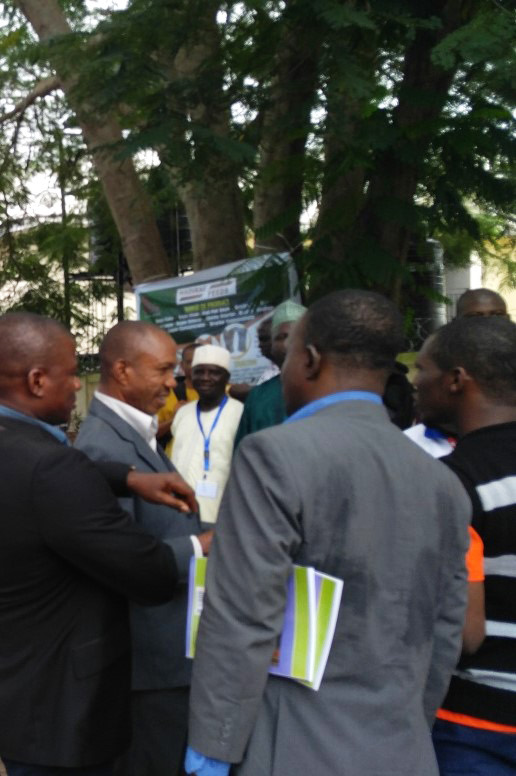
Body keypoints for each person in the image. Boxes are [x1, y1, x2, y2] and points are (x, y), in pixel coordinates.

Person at [185, 290, 471, 776]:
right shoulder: (444, 484)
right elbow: (444, 634)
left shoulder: (272, 456)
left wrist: (212, 749)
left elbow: (242, 614)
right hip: (402, 749)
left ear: (310, 360)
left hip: (291, 745)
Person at [0, 312, 184, 776]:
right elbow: (146, 572)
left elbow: (31, 480)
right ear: (36, 380)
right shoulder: (50, 468)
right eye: (70, 374)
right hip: (63, 709)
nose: (76, 386)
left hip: (6, 687)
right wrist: (202, 545)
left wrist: (128, 478)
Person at [75, 321, 213, 776]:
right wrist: (202, 545)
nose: (174, 382)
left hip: (164, 655)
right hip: (148, 663)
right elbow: (120, 560)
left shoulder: (133, 432)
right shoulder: (104, 445)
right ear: (122, 371)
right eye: (163, 370)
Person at [413, 315, 516, 773]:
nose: (414, 382)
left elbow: (464, 633)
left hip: (478, 730)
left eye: (422, 370)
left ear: (456, 380)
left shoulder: (453, 482)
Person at [168, 345, 243, 524]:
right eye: (199, 372)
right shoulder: (182, 413)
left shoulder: (240, 413)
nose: (205, 378)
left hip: (222, 515)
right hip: (178, 511)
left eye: (214, 372)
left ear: (227, 378)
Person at [235, 302, 306, 444]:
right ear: (272, 346)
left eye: (295, 336)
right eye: (281, 337)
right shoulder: (258, 396)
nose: (287, 343)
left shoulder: (332, 388)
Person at [156, 343, 198, 449]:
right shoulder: (166, 393)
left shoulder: (223, 392)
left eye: (199, 361)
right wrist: (175, 419)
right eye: (190, 362)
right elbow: (151, 433)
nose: (195, 366)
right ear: (182, 365)